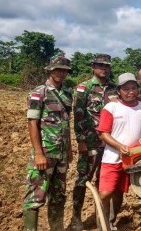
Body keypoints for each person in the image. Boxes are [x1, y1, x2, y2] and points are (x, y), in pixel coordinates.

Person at [97, 73, 141, 230]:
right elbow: (103, 133)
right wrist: (118, 146)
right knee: (105, 193)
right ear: (119, 91)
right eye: (126, 89)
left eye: (133, 88)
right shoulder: (111, 107)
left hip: (135, 158)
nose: (130, 91)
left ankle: (111, 220)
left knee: (119, 192)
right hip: (113, 157)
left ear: (137, 90)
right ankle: (102, 223)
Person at [22, 55, 73, 231]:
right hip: (45, 152)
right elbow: (32, 123)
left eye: (64, 70)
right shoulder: (39, 93)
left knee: (59, 195)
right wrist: (38, 153)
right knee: (35, 197)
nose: (61, 73)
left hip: (61, 154)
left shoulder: (67, 94)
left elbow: (66, 124)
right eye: (57, 69)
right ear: (50, 70)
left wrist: (69, 149)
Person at [71, 54, 118, 229]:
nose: (103, 69)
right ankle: (76, 217)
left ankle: (103, 218)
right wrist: (80, 140)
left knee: (104, 180)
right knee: (83, 179)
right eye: (100, 66)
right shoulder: (84, 88)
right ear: (93, 67)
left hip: (110, 144)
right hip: (90, 143)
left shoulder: (115, 89)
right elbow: (78, 115)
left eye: (106, 66)